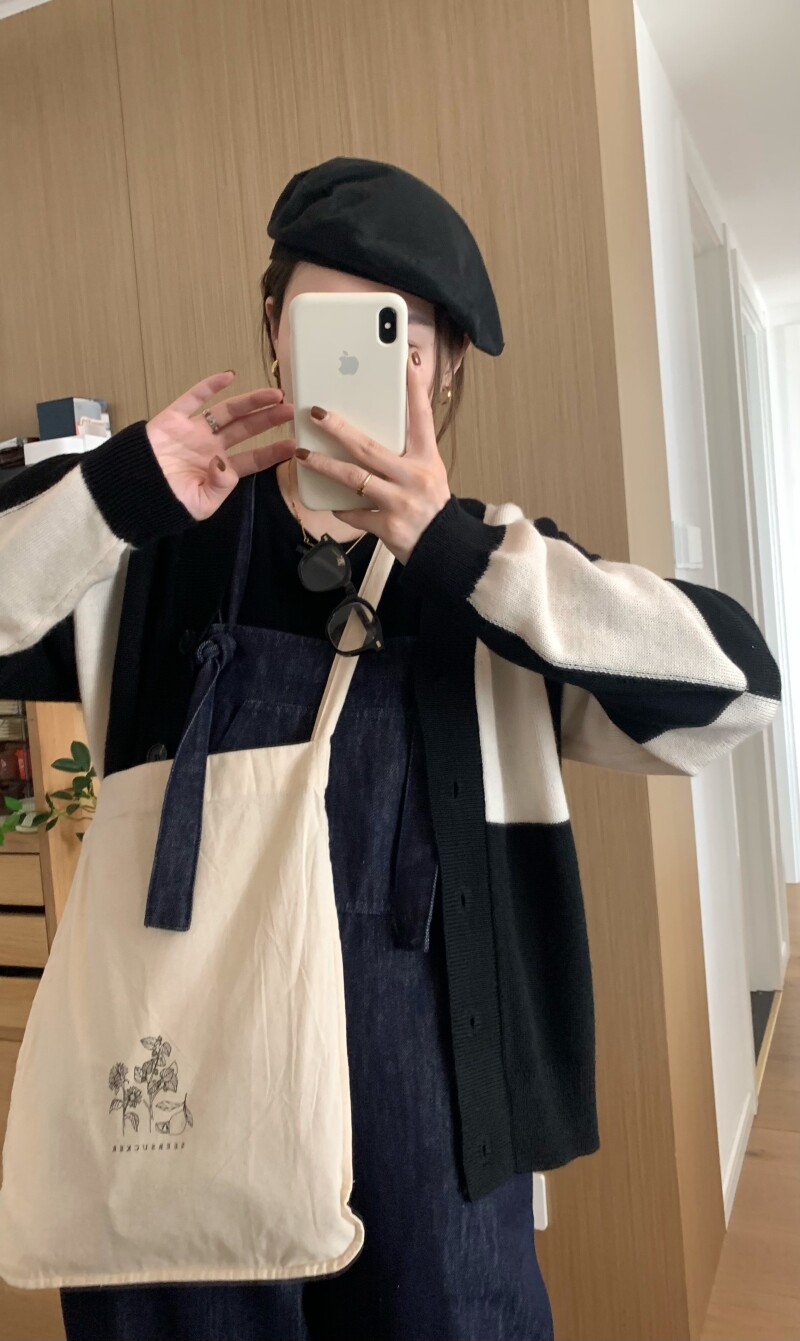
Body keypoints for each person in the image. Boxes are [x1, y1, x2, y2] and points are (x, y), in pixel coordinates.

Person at [0, 158, 781, 1341]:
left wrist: (461, 561)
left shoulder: (502, 578)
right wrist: (116, 496)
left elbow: (736, 693)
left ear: (445, 367)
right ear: (274, 336)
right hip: (182, 1120)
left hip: (439, 1136)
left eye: (397, 339)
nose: (360, 367)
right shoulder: (153, 550)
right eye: (323, 324)